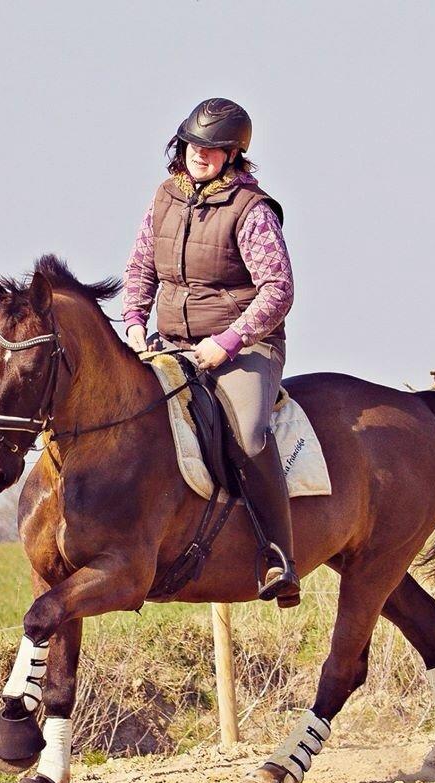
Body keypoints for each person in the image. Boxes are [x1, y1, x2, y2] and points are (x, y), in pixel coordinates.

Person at [122, 97, 299, 603]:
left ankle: (277, 559)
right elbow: (140, 269)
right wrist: (134, 321)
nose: (200, 154)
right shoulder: (164, 197)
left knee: (248, 434)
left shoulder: (252, 210)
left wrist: (228, 343)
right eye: (195, 144)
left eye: (214, 148)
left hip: (244, 348)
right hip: (170, 344)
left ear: (233, 154)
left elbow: (278, 290)